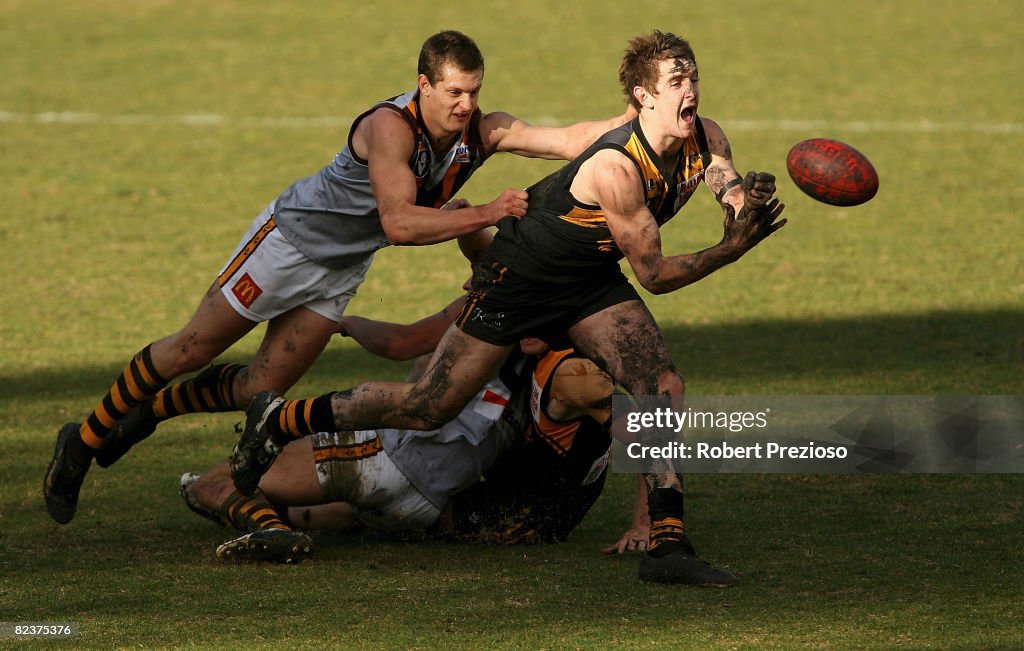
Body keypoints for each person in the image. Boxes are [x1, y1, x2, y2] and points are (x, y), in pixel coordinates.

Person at [230, 30, 786, 586]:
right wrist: (728, 250)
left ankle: (667, 546)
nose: (691, 91)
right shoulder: (617, 168)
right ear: (644, 96)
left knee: (661, 383)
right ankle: (280, 417)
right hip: (519, 277)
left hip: (588, 280)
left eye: (693, 79)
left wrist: (745, 205)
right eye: (677, 82)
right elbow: (655, 275)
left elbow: (728, 188)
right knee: (428, 407)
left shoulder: (706, 136)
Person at [44, 30, 635, 525]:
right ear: (424, 84)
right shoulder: (391, 128)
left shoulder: (480, 130)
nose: (465, 105)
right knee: (190, 348)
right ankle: (86, 441)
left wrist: (637, 119)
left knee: (259, 390)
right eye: (453, 91)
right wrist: (487, 212)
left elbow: (565, 139)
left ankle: (149, 412)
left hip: (339, 270)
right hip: (289, 244)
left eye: (474, 92)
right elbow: (399, 223)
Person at [180, 295, 637, 562]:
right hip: (436, 506)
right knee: (314, 511)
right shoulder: (523, 331)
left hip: (393, 461)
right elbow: (405, 341)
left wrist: (654, 522)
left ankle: (267, 528)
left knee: (212, 485)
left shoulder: (566, 369)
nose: (470, 284)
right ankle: (277, 521)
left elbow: (652, 427)